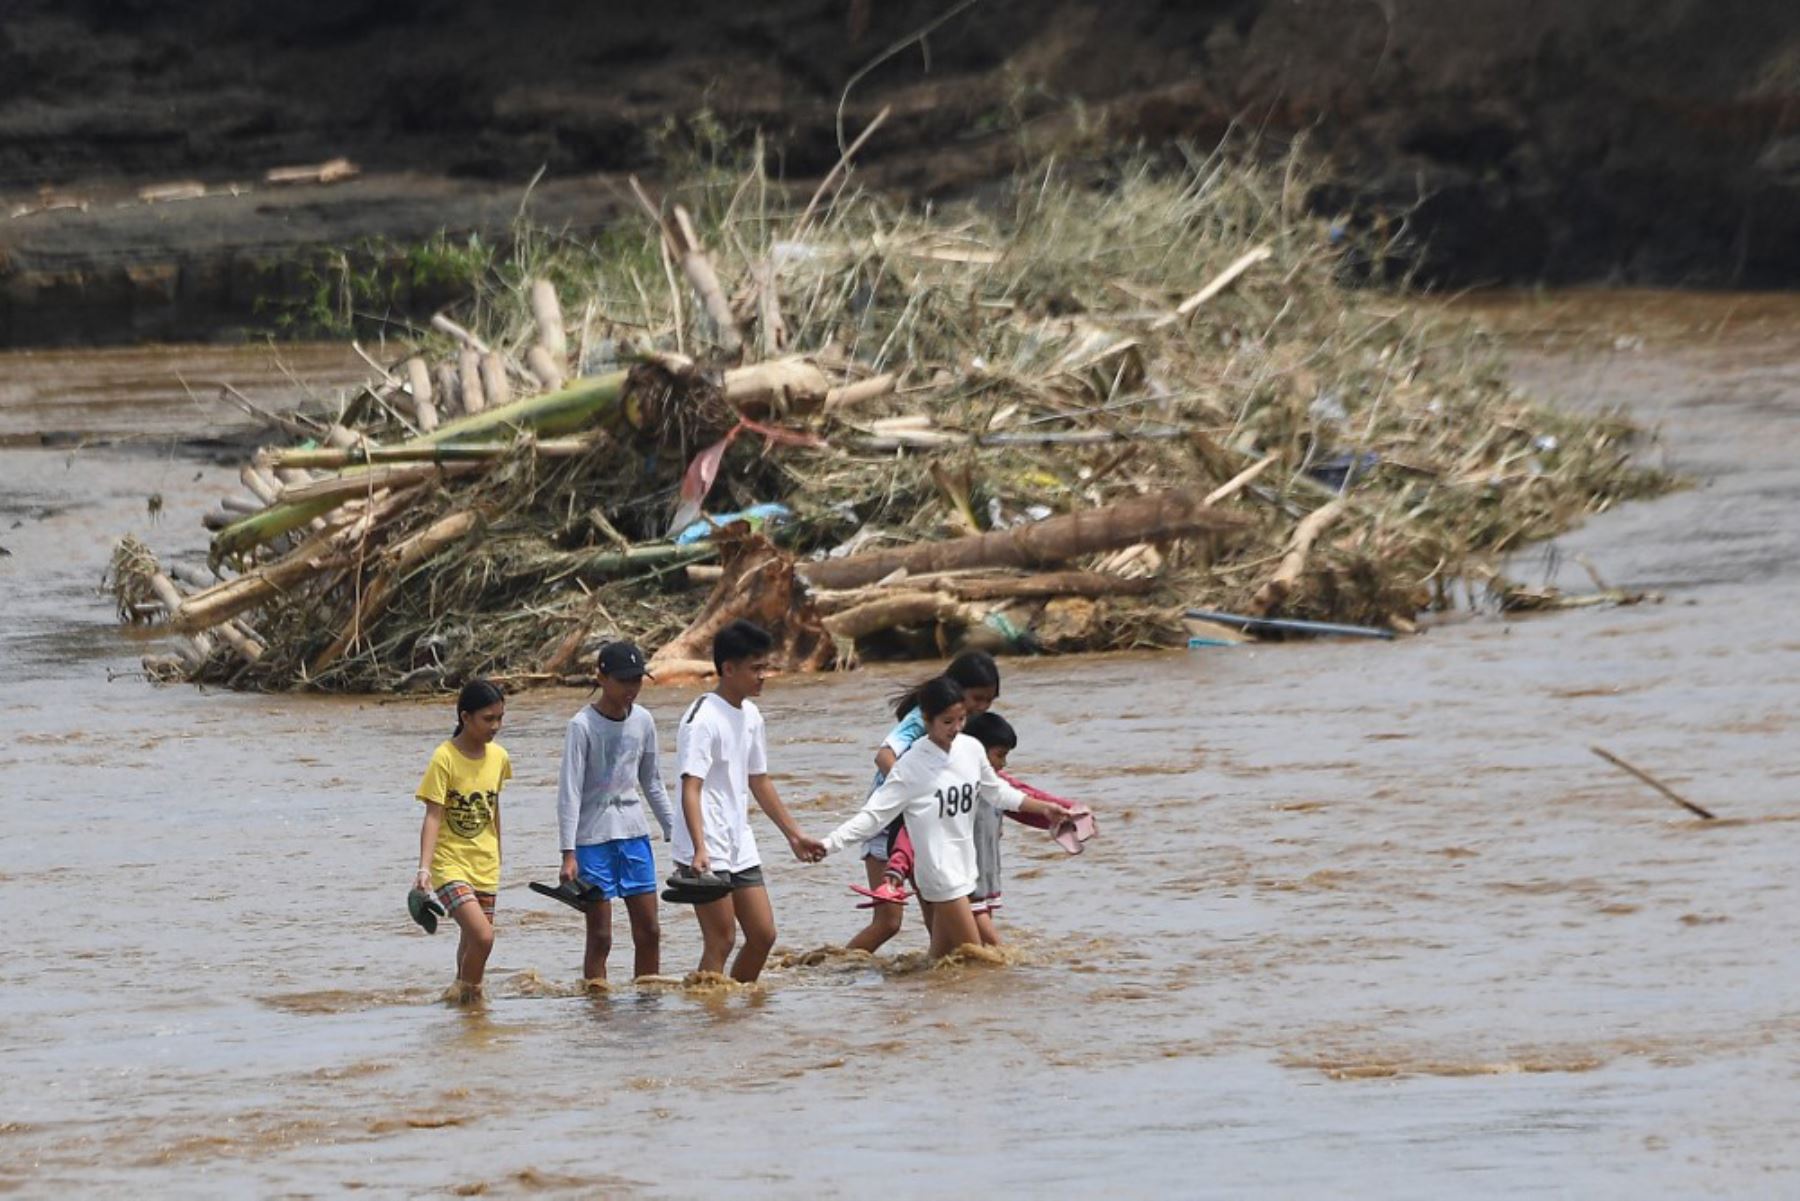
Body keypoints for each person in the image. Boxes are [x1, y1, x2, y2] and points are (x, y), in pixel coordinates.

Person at [818, 677, 1080, 961]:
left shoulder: (971, 749)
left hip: (966, 870)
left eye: (962, 719)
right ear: (926, 720)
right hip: (940, 876)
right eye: (947, 722)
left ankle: (907, 996)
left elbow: (999, 793)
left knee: (940, 964)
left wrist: (1044, 808)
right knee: (981, 963)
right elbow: (873, 817)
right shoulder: (910, 766)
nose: (956, 729)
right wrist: (827, 845)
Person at [673, 620, 824, 983]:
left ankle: (737, 1011)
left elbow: (758, 780)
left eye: (764, 667)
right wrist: (699, 849)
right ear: (728, 669)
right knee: (721, 940)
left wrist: (794, 834)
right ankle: (710, 1022)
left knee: (762, 935)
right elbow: (689, 787)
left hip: (739, 840)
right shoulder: (701, 719)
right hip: (704, 845)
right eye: (756, 668)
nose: (763, 676)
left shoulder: (751, 715)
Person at [845, 650, 1001, 953]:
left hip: (924, 830)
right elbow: (884, 756)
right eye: (977, 698)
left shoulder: (960, 724)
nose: (982, 708)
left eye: (989, 701)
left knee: (940, 920)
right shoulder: (922, 717)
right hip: (888, 824)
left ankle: (935, 992)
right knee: (888, 921)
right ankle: (832, 971)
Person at [556, 641, 674, 983]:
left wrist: (675, 833)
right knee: (601, 937)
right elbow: (570, 792)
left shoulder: (644, 721)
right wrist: (568, 854)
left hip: (635, 837)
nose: (631, 689)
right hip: (593, 841)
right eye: (624, 681)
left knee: (649, 930)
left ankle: (647, 1002)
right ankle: (598, 1012)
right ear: (601, 677)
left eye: (637, 680)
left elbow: (652, 781)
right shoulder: (581, 726)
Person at [414, 680, 511, 1001]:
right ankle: (468, 994)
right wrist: (424, 870)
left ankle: (464, 1014)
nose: (495, 726)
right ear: (465, 717)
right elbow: (433, 815)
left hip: (485, 864)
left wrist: (498, 852)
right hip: (449, 865)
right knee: (484, 937)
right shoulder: (444, 758)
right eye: (488, 719)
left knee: (470, 942)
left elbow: (493, 806)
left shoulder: (499, 758)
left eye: (499, 718)